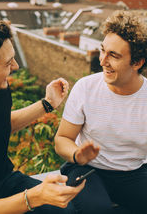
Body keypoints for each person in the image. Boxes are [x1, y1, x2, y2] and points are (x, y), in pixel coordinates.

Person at [0, 20, 85, 214]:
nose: (16, 66)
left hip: (6, 181)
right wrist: (34, 197)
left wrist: (47, 104)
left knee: (65, 210)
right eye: (7, 62)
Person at [55, 11, 147, 214]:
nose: (102, 60)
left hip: (133, 172)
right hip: (87, 169)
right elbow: (62, 139)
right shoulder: (86, 87)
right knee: (97, 209)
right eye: (103, 50)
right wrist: (77, 154)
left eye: (113, 55)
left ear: (137, 62)